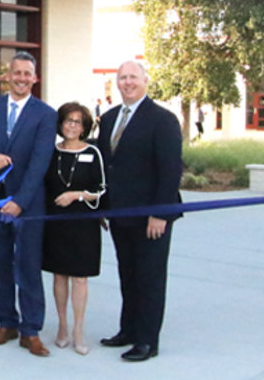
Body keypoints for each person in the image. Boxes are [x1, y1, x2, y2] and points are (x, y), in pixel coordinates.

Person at [97, 60, 182, 362]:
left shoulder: (163, 119)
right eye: (122, 78)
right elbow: (106, 167)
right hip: (120, 216)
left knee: (149, 278)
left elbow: (171, 170)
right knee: (127, 274)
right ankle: (128, 330)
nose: (128, 82)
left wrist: (160, 213)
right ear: (116, 83)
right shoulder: (107, 119)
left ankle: (147, 341)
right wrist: (103, 209)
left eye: (133, 77)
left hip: (151, 218)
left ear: (146, 81)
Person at [0, 51, 57, 357]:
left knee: (28, 266)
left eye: (27, 73)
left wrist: (20, 202)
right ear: (7, 75)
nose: (21, 78)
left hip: (29, 205)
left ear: (35, 78)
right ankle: (6, 323)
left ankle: (31, 329)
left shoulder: (45, 114)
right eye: (16, 72)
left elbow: (40, 162)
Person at [43, 102, 105, 356]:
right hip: (56, 223)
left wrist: (77, 195)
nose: (72, 126)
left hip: (83, 224)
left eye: (77, 122)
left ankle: (79, 330)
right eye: (68, 121)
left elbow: (101, 189)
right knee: (59, 276)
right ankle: (62, 326)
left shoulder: (93, 152)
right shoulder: (51, 151)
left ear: (84, 127)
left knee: (80, 278)